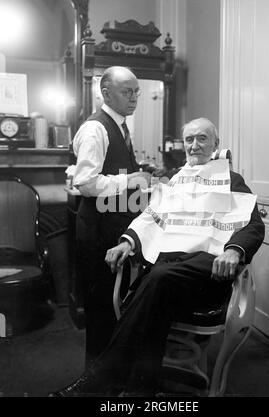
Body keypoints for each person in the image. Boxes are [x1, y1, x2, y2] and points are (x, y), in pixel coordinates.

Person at [53, 117, 265, 396]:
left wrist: (232, 250)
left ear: (216, 143)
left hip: (207, 268)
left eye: (202, 138)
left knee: (155, 279)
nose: (194, 145)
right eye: (189, 139)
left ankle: (102, 378)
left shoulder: (232, 180)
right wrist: (127, 242)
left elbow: (253, 224)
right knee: (156, 289)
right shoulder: (175, 180)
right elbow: (150, 217)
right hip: (169, 271)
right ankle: (142, 389)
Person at [72, 66, 151, 365]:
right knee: (100, 305)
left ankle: (110, 371)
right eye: (126, 92)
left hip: (114, 225)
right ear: (106, 92)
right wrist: (130, 179)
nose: (133, 98)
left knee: (113, 301)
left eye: (136, 92)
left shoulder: (120, 126)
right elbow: (86, 183)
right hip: (97, 228)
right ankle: (94, 378)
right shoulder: (96, 128)